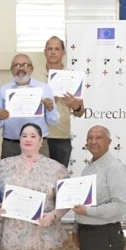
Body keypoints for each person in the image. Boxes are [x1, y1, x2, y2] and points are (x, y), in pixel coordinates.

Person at [0, 53, 59, 159]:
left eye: (25, 65)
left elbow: (54, 121)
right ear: (11, 69)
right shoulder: (4, 89)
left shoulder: (44, 88)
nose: (21, 68)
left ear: (32, 69)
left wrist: (51, 109)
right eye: (17, 65)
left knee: (41, 170)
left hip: (38, 146)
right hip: (11, 145)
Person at [40, 36, 85, 167]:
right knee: (38, 176)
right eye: (50, 49)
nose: (53, 52)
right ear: (45, 52)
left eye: (57, 49)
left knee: (60, 176)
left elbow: (80, 112)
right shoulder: (34, 75)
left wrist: (75, 106)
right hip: (38, 136)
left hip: (61, 137)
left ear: (63, 52)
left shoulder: (72, 77)